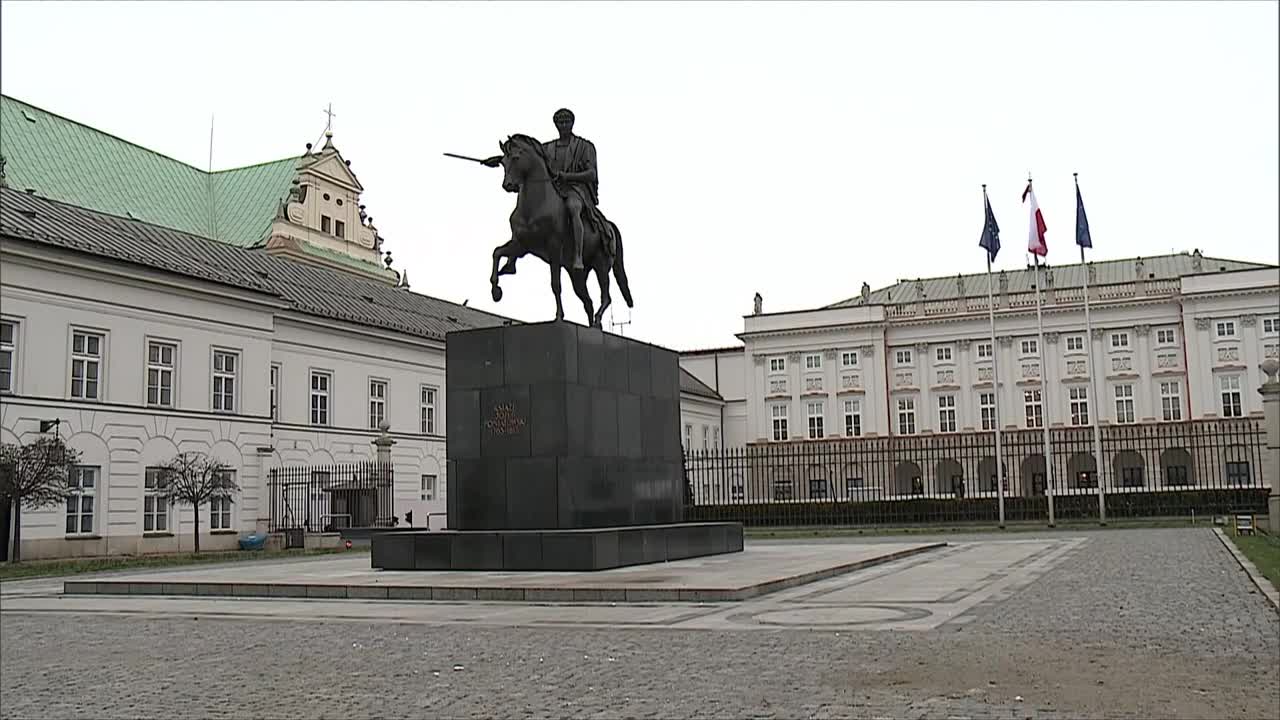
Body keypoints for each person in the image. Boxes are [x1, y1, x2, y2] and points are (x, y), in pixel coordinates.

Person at [484, 108, 609, 270]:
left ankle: (578, 256)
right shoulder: (548, 148)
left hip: (575, 189)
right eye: (560, 122)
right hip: (554, 188)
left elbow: (591, 173)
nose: (563, 125)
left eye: (566, 122)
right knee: (520, 213)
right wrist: (499, 159)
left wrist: (567, 176)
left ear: (572, 123)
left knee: (573, 207)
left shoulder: (585, 146)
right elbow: (522, 157)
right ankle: (512, 259)